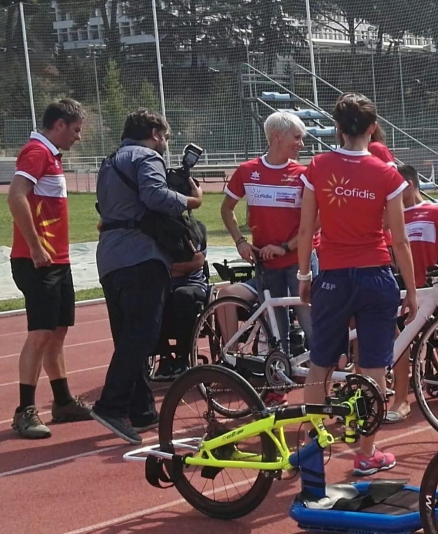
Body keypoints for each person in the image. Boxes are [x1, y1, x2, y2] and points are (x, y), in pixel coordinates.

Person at [297, 93, 417, 476]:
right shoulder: (387, 175)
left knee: (321, 364)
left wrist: (303, 275)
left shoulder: (318, 165)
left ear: (336, 128)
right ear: (372, 128)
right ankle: (366, 453)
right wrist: (411, 290)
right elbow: (400, 240)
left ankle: (313, 448)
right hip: (375, 276)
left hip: (331, 276)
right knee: (373, 367)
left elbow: (305, 229)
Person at [91, 108, 203, 445]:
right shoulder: (144, 156)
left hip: (109, 255)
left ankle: (141, 410)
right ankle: (112, 405)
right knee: (142, 334)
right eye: (166, 137)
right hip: (140, 255)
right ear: (154, 133)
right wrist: (191, 201)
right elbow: (155, 196)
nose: (166, 144)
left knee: (127, 333)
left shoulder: (109, 162)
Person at [7, 98, 91, 439]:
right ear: (59, 125)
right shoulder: (37, 152)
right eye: (75, 130)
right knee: (40, 334)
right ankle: (24, 410)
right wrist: (36, 246)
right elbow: (15, 197)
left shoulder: (51, 157)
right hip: (37, 261)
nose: (78, 138)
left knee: (57, 333)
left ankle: (63, 402)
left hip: (58, 260)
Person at [218, 111, 315, 405]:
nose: (301, 144)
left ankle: (321, 391)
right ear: (277, 137)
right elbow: (226, 209)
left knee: (312, 328)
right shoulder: (247, 171)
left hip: (298, 264)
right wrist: (241, 242)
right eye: (296, 137)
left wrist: (285, 247)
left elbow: (315, 222)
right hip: (266, 267)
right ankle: (277, 391)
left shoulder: (302, 174)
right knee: (277, 334)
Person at [384, 164, 438, 423]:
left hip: (429, 291)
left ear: (407, 184)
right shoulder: (391, 217)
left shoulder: (434, 213)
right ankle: (400, 386)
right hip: (402, 289)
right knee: (396, 337)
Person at [153, 217, 210, 379]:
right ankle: (164, 358)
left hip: (193, 286)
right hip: (165, 286)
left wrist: (169, 267)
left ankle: (182, 358)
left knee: (181, 295)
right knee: (152, 297)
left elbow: (196, 263)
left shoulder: (196, 228)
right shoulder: (157, 229)